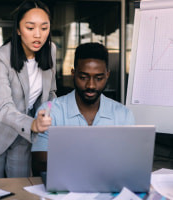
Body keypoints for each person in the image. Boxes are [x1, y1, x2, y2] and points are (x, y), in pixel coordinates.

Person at [0, 0, 56, 178]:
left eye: (44, 28)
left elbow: (51, 93)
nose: (38, 35)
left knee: (20, 187)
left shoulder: (51, 50)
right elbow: (3, 107)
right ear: (18, 29)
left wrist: (48, 114)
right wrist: (32, 124)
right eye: (30, 28)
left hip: (23, 136)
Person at [31, 42, 135, 176]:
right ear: (73, 73)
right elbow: (38, 163)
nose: (91, 85)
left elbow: (130, 163)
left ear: (107, 75)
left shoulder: (124, 115)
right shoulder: (51, 112)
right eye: (83, 77)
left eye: (99, 78)